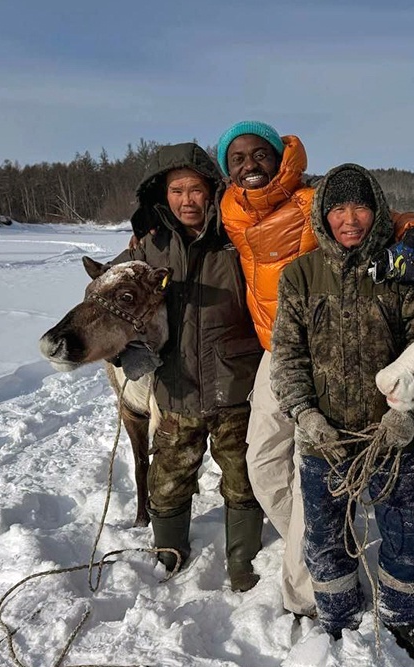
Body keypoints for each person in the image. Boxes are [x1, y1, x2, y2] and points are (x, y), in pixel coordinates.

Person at [215, 121, 414, 617]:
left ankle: (309, 595)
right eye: (237, 158)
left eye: (260, 154)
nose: (250, 164)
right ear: (226, 168)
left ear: (281, 158)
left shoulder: (313, 197)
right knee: (264, 464)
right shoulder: (228, 211)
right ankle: (324, 540)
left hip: (342, 341)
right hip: (283, 349)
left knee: (325, 485)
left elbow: (397, 218)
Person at [270, 164, 414, 660]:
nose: (350, 219)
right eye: (338, 207)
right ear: (323, 213)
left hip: (393, 435)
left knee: (409, 532)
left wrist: (406, 414)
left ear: (377, 210)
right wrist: (305, 415)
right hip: (325, 438)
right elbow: (288, 356)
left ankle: (403, 614)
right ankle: (338, 616)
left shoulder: (404, 274)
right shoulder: (299, 276)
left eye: (360, 206)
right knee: (325, 537)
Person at [113, 142, 264, 592]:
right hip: (177, 386)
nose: (186, 200)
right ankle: (170, 551)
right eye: (176, 190)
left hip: (236, 383)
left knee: (242, 478)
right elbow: (109, 301)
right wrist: (126, 350)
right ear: (164, 195)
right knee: (170, 476)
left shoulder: (239, 239)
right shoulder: (150, 247)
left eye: (195, 189)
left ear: (212, 191)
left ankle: (242, 560)